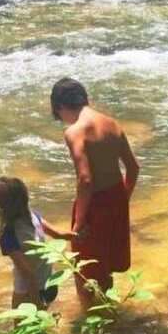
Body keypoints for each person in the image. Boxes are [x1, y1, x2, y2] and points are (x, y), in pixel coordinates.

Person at [50, 77, 140, 304]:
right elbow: (133, 168)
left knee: (86, 272)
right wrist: (123, 200)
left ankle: (90, 317)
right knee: (107, 265)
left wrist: (79, 222)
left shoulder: (75, 131)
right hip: (117, 196)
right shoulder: (112, 124)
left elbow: (85, 180)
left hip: (94, 205)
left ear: (60, 106)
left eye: (59, 114)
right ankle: (109, 313)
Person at [0, 177, 76, 308]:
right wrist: (78, 235)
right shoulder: (33, 216)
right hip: (50, 284)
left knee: (21, 321)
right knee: (42, 317)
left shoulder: (7, 235)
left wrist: (36, 301)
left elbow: (27, 273)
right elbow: (59, 234)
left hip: (29, 291)